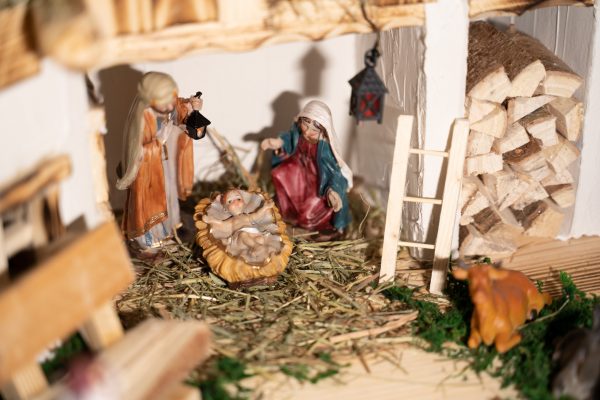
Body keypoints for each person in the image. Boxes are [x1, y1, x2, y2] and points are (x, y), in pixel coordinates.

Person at [116, 72, 201, 251]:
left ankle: (169, 230)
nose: (170, 106)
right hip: (147, 172)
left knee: (169, 195)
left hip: (163, 163)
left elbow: (178, 110)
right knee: (151, 204)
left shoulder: (167, 105)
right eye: (165, 103)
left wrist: (191, 106)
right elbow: (137, 153)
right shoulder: (142, 119)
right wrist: (159, 142)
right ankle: (150, 241)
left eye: (171, 99)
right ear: (150, 99)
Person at [260, 100, 352, 238]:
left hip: (317, 181)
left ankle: (317, 228)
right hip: (298, 172)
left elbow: (334, 172)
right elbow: (289, 138)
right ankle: (288, 214)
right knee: (281, 176)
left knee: (308, 214)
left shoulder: (325, 148)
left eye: (314, 129)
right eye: (305, 124)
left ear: (323, 129)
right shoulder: (298, 132)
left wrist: (332, 191)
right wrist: (278, 143)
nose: (307, 131)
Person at [202, 189, 282, 264]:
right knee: (243, 234)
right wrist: (211, 220)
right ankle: (256, 246)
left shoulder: (247, 216)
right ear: (226, 209)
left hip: (254, 234)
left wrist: (265, 207)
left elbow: (257, 215)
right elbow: (221, 224)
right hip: (240, 239)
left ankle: (258, 251)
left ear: (244, 203)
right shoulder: (231, 221)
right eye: (230, 201)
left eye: (238, 199)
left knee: (260, 239)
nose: (235, 202)